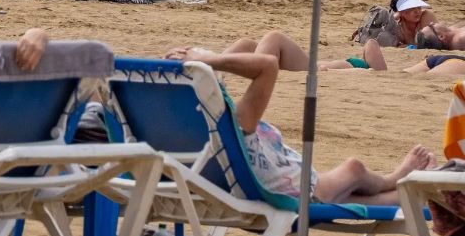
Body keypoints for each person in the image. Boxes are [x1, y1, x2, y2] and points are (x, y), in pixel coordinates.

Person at [127, 30, 431, 202]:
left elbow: (247, 57)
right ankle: (395, 178)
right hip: (293, 191)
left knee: (377, 200)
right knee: (353, 169)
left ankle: (418, 186)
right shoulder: (236, 124)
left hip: (250, 185)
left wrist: (195, 63)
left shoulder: (168, 123)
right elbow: (267, 66)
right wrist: (206, 60)